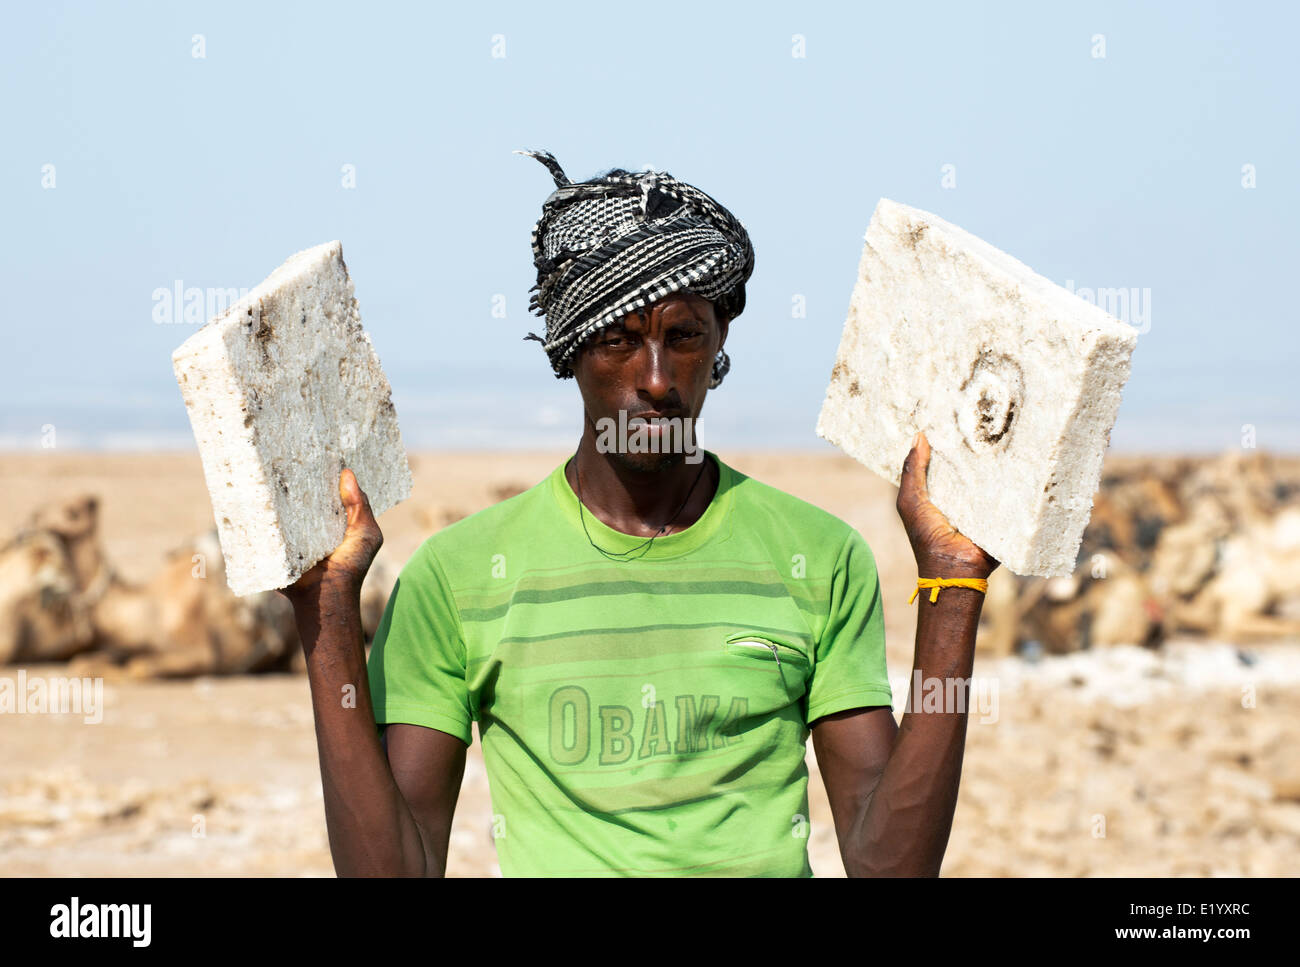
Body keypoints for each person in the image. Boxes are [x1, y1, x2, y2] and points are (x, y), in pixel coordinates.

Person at [279, 150, 999, 877]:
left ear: (718, 342)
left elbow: (890, 867)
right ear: (571, 352)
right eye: (618, 339)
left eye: (683, 336)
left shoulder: (819, 556)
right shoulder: (456, 576)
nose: (655, 379)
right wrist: (326, 611)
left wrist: (953, 584)